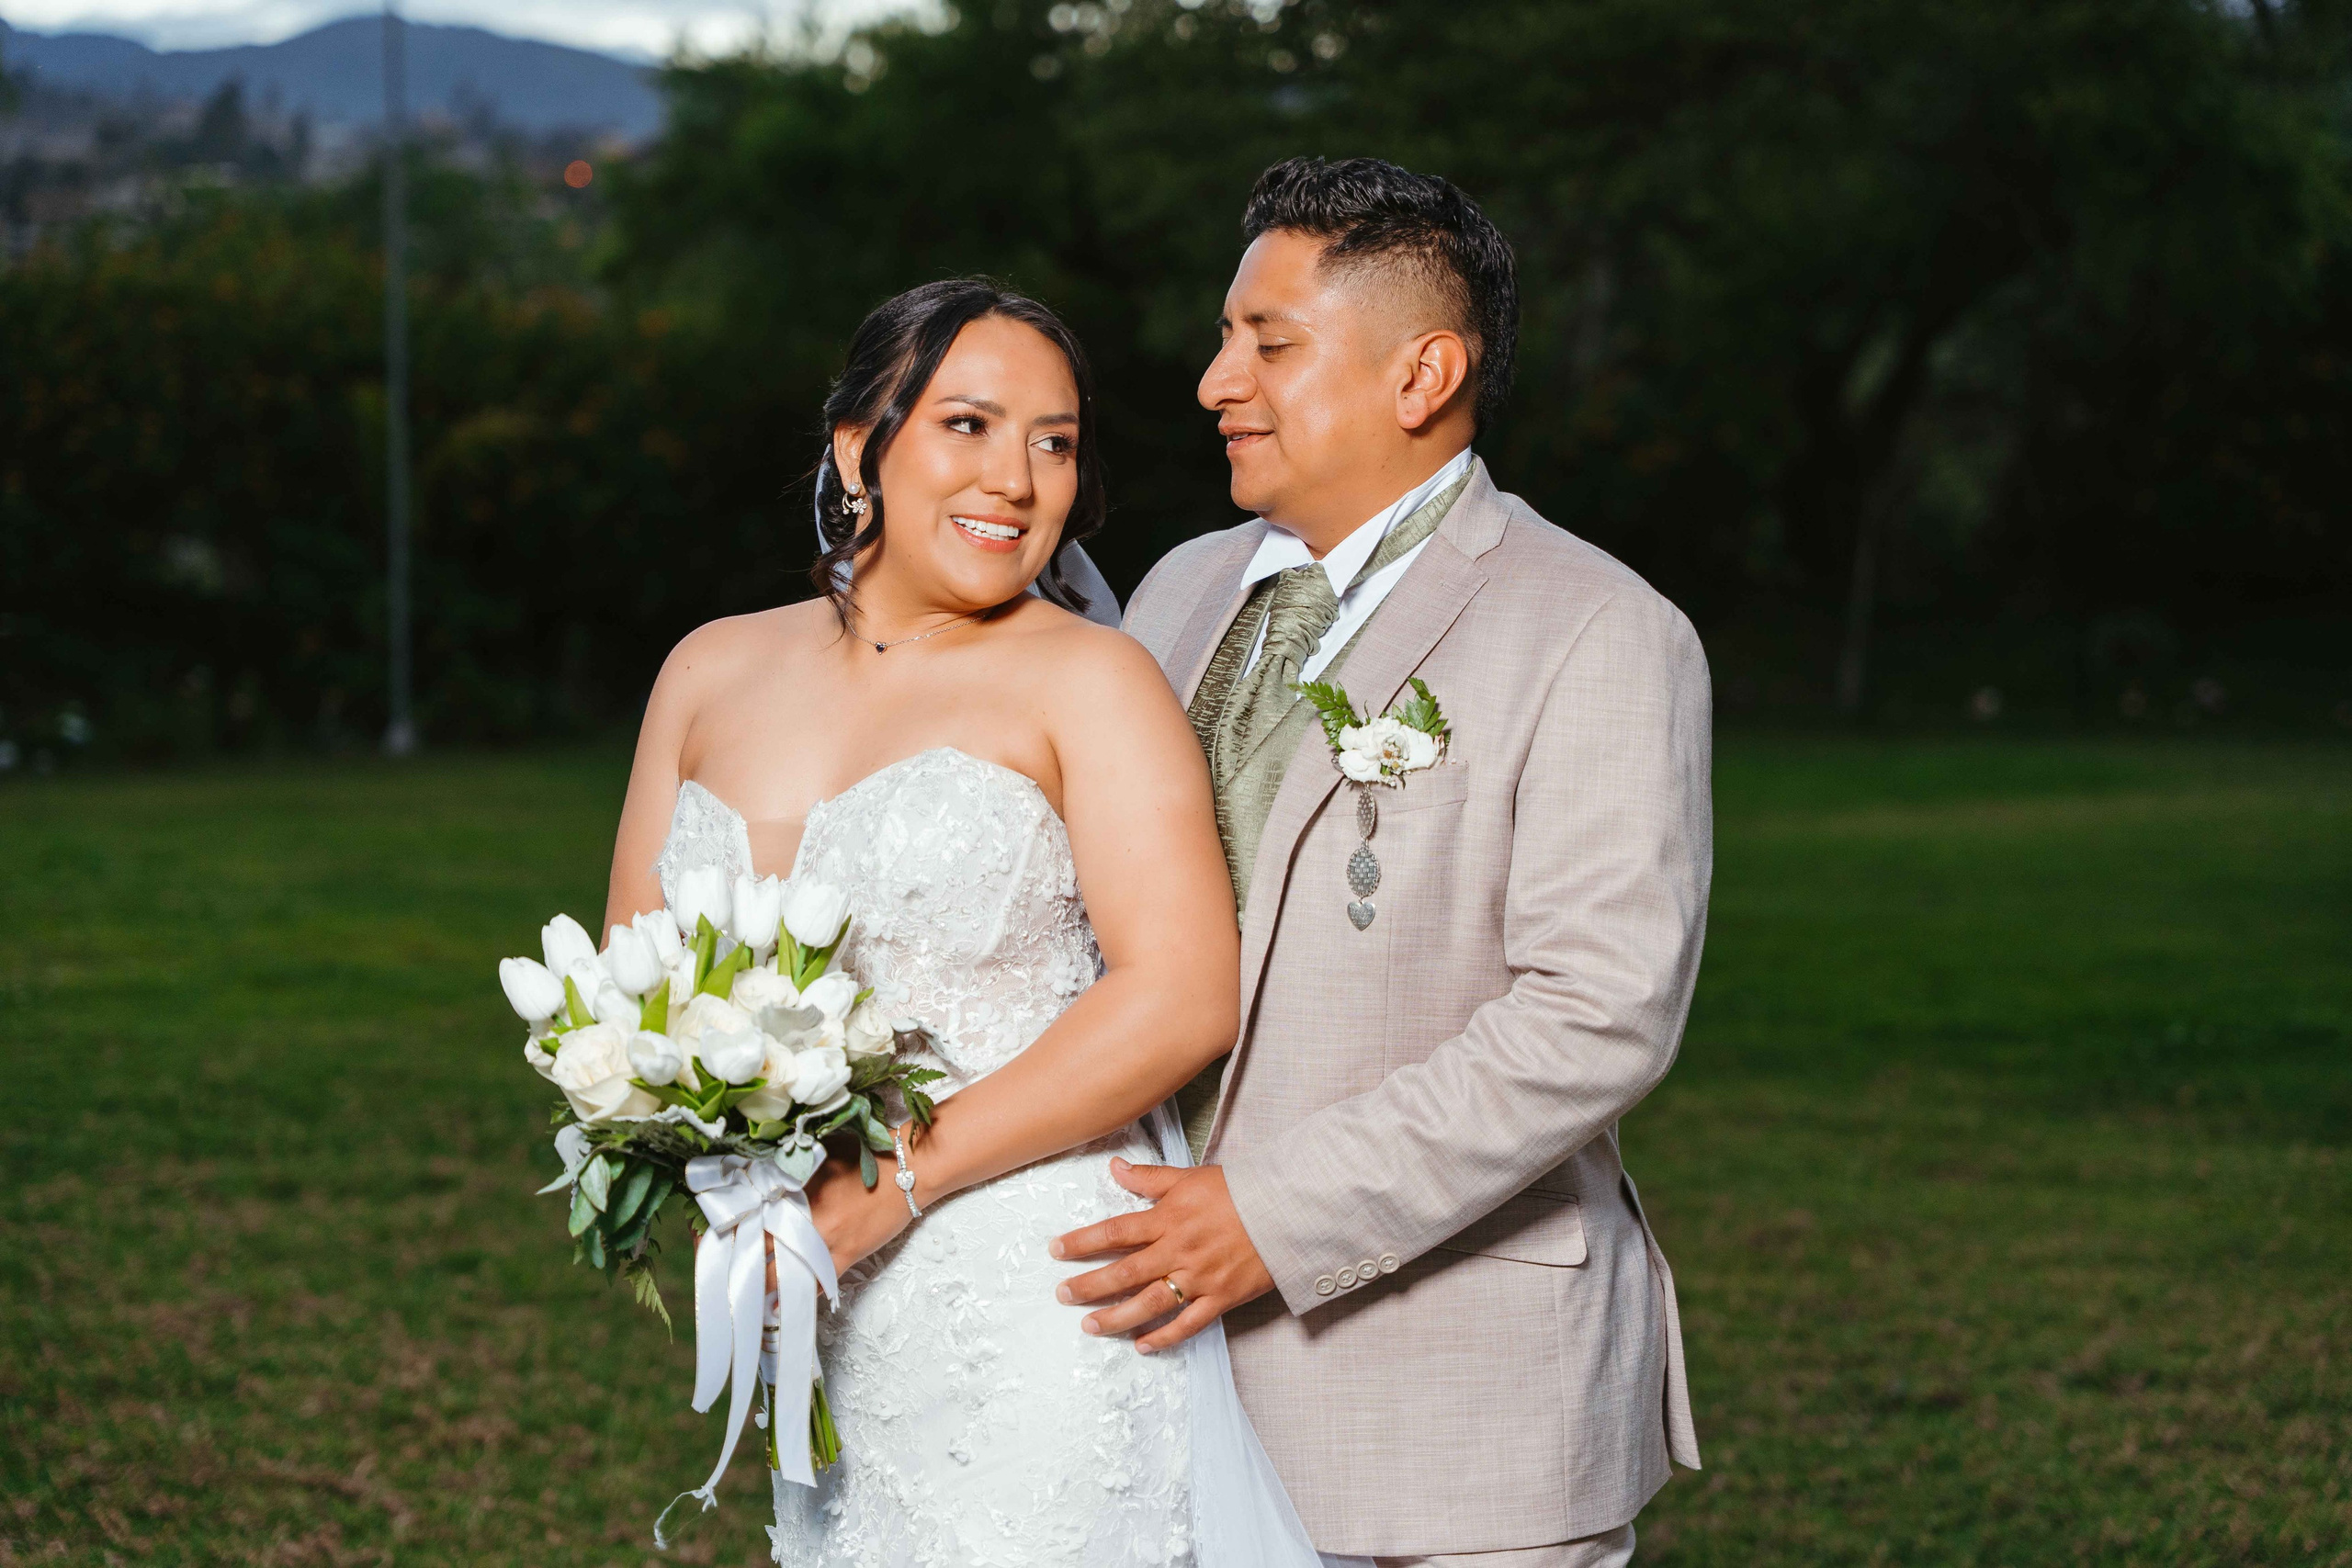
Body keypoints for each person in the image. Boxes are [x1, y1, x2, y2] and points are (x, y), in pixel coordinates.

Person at [599, 278, 1320, 1566]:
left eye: (1055, 442)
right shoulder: (708, 671)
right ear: (855, 450)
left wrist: (901, 1178)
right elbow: (630, 985)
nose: (1018, 481)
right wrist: (726, 1167)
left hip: (1032, 1294)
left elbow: (1181, 992)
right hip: (817, 1291)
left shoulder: (1090, 680)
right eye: (969, 426)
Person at [1054, 157, 1712, 1567]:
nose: (1216, 383)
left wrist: (1271, 1218)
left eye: (1269, 344)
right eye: (1225, 338)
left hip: (1450, 1405)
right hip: (1152, 1380)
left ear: (1423, 374)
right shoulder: (1178, 591)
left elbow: (1597, 1014)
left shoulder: (1596, 628)